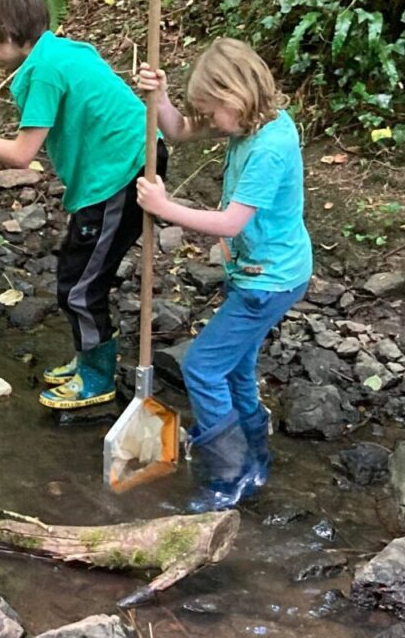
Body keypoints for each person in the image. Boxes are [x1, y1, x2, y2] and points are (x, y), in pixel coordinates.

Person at [0, 0, 162, 409]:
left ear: (11, 36)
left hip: (126, 171)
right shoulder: (60, 53)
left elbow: (22, 155)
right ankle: (88, 358)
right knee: (77, 267)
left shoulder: (48, 70)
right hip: (115, 169)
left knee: (80, 285)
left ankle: (97, 377)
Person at [133, 37, 312, 511]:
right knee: (236, 369)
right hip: (259, 272)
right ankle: (255, 458)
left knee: (203, 367)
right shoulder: (250, 121)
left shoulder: (270, 147)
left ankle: (229, 474)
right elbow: (176, 131)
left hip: (267, 281)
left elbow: (232, 222)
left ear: (236, 98)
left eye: (212, 112)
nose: (209, 122)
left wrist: (166, 207)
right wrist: (161, 96)